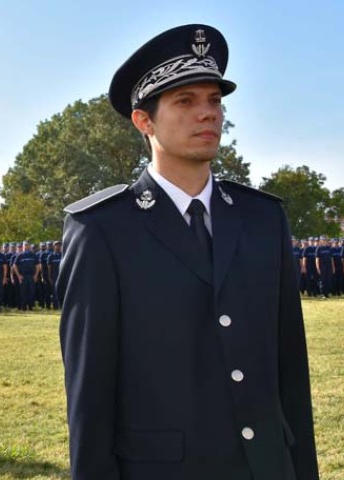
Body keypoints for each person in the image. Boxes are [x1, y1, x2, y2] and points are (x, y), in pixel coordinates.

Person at [57, 25, 318, 479]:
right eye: (185, 101)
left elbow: (290, 371)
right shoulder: (102, 229)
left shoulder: (263, 219)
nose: (208, 115)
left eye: (214, 101)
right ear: (145, 121)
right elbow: (90, 395)